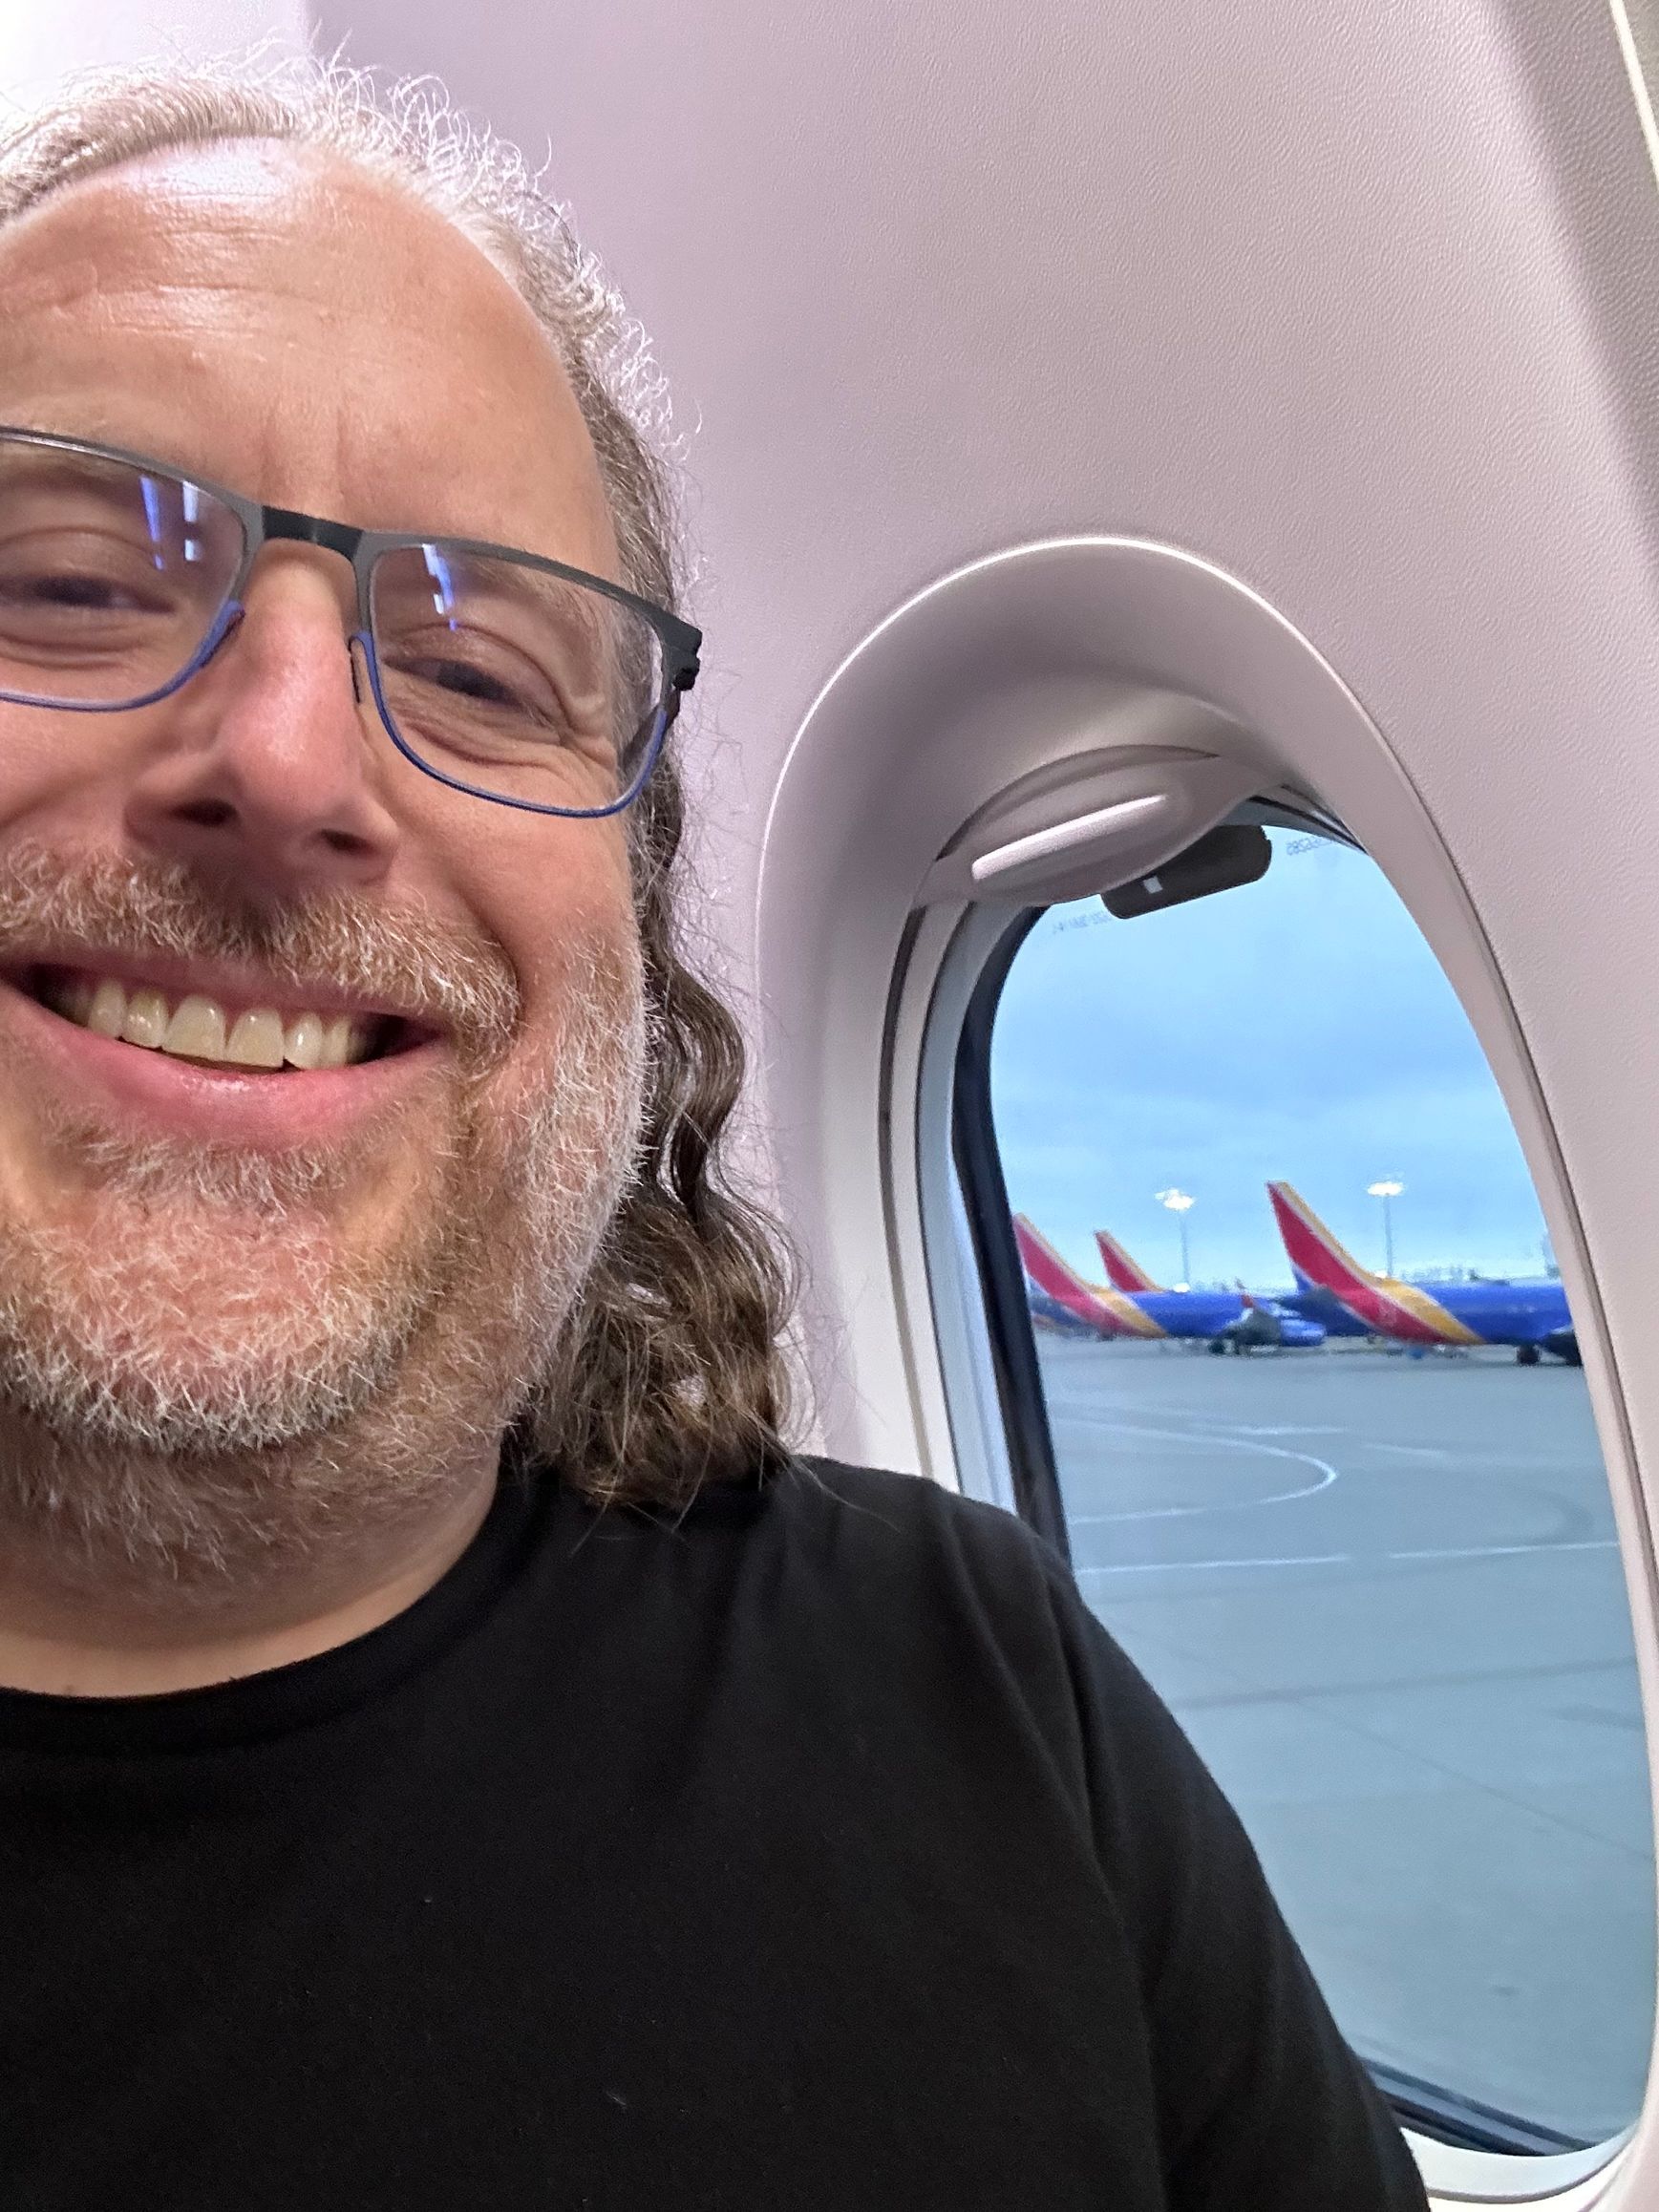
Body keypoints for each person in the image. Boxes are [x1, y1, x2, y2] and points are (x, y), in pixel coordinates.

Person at [0, 52, 1428, 2212]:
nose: (291, 760)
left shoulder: (985, 1687)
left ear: (628, 920)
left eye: (481, 669)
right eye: (74, 578)